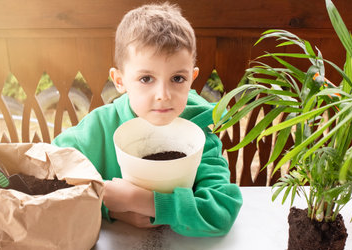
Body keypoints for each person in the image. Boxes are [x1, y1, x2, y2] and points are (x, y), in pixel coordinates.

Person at [52, 2, 242, 237]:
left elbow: (221, 211)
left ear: (192, 78)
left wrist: (142, 201)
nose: (163, 95)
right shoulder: (99, 127)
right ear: (119, 80)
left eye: (177, 78)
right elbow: (53, 170)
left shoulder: (199, 135)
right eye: (146, 79)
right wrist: (109, 207)